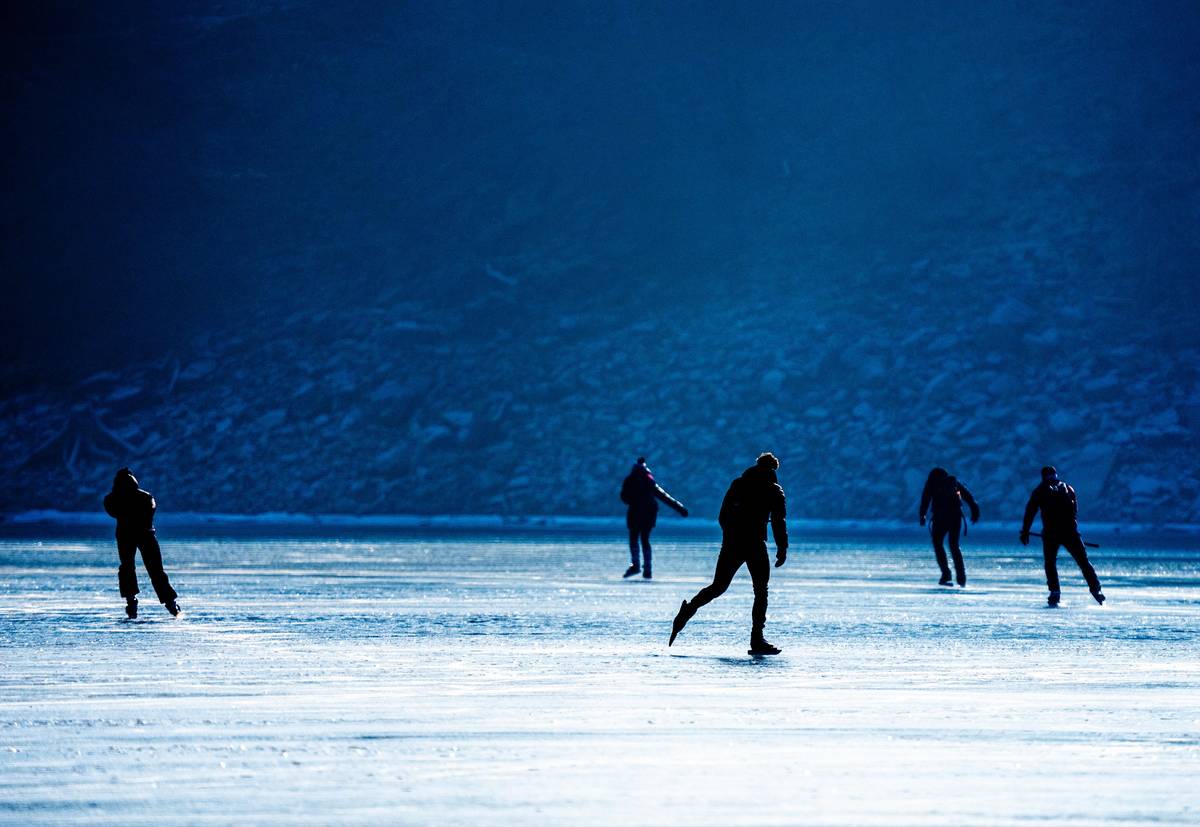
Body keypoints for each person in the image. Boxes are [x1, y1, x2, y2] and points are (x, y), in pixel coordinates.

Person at [670, 452, 787, 655]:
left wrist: (731, 536)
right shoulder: (773, 490)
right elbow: (778, 522)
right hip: (755, 545)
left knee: (719, 586)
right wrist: (782, 548)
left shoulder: (738, 484)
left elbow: (723, 516)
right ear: (773, 469)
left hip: (733, 543)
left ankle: (689, 609)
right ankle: (757, 639)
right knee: (761, 591)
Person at [1020, 465, 1104, 607]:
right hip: (1070, 532)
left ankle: (1055, 592)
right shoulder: (1067, 488)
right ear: (1055, 475)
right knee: (1083, 562)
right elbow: (1074, 512)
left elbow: (1030, 512)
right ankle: (1096, 590)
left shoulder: (1040, 491)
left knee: (1051, 563)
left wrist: (1025, 531)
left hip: (1052, 533)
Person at [103, 468, 180, 618]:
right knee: (155, 570)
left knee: (127, 567)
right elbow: (150, 511)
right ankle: (170, 603)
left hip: (126, 535)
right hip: (146, 535)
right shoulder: (145, 497)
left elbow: (112, 510)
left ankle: (131, 600)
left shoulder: (112, 498)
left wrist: (127, 516)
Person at [619, 457, 688, 579]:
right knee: (645, 539)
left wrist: (633, 500)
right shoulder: (649, 481)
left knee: (634, 538)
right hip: (649, 513)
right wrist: (680, 508)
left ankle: (636, 565)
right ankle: (648, 568)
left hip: (636, 513)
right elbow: (664, 496)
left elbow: (624, 497)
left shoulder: (630, 480)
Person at [918, 467, 980, 587]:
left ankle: (946, 573)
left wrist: (922, 516)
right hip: (955, 517)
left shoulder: (931, 483)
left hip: (940, 518)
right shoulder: (953, 482)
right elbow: (968, 497)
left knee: (938, 544)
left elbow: (925, 499)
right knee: (954, 546)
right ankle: (961, 577)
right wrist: (974, 510)